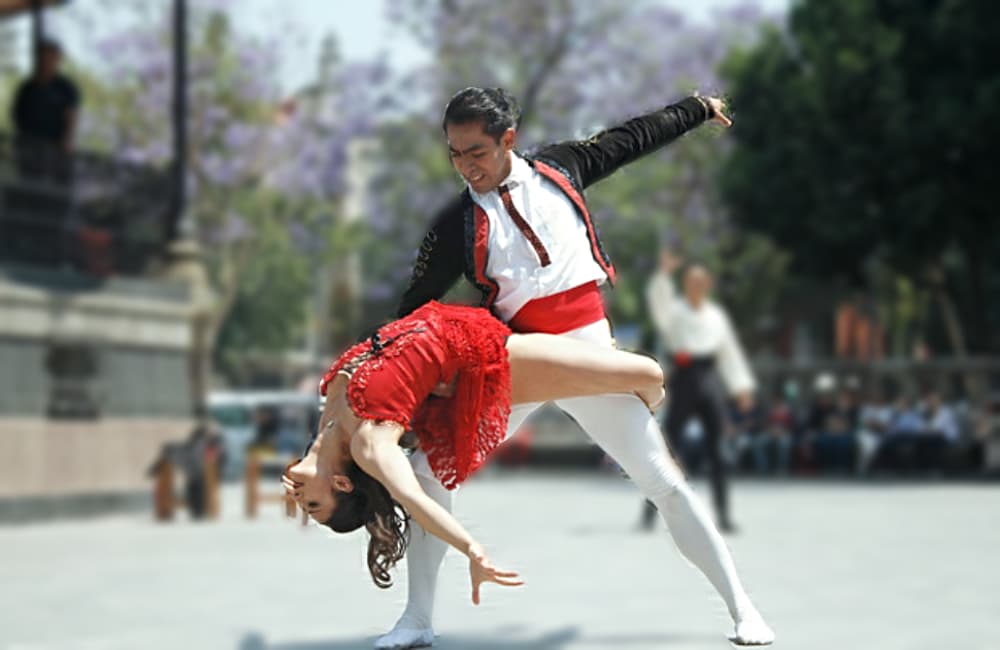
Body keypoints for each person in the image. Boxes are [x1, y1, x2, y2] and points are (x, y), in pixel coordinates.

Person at [380, 87, 772, 648]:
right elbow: (413, 305)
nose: (466, 167)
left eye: (477, 153)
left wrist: (698, 108)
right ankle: (416, 621)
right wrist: (378, 373)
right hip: (516, 356)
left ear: (507, 140)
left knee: (663, 481)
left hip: (588, 350)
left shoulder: (562, 167)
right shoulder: (454, 224)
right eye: (455, 154)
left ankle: (744, 611)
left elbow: (633, 137)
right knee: (428, 474)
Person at [283, 301, 771, 646]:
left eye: (306, 505)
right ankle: (418, 619)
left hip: (474, 332)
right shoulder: (370, 446)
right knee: (647, 376)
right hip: (484, 365)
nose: (298, 496)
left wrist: (306, 474)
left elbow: (318, 461)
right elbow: (415, 502)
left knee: (645, 379)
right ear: (344, 483)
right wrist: (472, 549)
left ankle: (632, 397)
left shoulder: (328, 424)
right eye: (311, 503)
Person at [644, 251, 756, 532]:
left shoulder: (716, 316)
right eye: (690, 281)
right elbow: (659, 306)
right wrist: (664, 275)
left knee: (718, 448)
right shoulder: (675, 312)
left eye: (700, 281)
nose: (695, 286)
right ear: (685, 285)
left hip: (710, 379)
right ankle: (650, 513)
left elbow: (728, 351)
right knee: (668, 447)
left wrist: (741, 387)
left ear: (707, 285)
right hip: (683, 377)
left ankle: (724, 514)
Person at [11, 38, 80, 180]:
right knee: (29, 184)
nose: (46, 61)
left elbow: (71, 115)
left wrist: (67, 140)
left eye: (50, 57)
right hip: (29, 148)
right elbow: (17, 115)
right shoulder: (27, 88)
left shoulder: (65, 87)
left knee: (55, 190)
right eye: (42, 57)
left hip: (56, 150)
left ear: (57, 59)